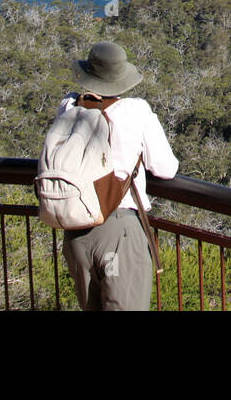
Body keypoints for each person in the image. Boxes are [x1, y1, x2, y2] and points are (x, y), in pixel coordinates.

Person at [56, 41, 178, 310]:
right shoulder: (136, 111)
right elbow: (166, 169)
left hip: (75, 229)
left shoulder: (69, 106)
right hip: (119, 229)